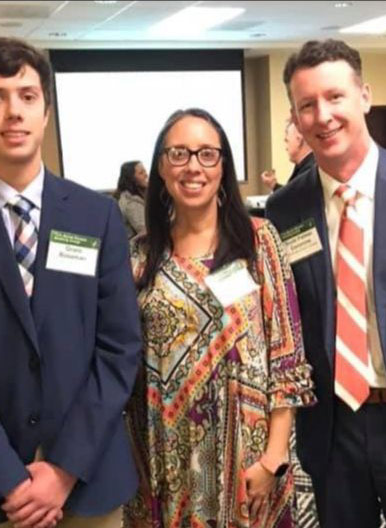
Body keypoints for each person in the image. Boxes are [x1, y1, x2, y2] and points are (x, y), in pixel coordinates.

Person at [0, 36, 141, 528]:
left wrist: (61, 470)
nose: (13, 111)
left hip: (88, 480)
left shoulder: (96, 216)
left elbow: (119, 348)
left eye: (27, 96)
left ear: (46, 110)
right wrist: (10, 478)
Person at [266, 39, 386, 527]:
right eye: (307, 105)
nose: (323, 116)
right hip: (333, 427)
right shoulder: (284, 211)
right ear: (295, 117)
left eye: (335, 96)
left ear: (364, 95)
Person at [123, 108, 315, 528]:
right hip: (162, 464)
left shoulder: (258, 241)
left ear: (223, 165)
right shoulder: (138, 255)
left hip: (249, 462)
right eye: (179, 154)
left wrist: (273, 459)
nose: (193, 166)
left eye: (207, 154)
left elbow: (287, 358)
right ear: (160, 166)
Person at [115, 161, 148, 238]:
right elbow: (146, 231)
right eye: (141, 173)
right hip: (136, 248)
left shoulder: (132, 197)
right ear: (132, 179)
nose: (146, 175)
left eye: (145, 171)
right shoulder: (131, 203)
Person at [284, 119, 315, 183]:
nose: (286, 148)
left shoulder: (309, 173)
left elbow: (293, 191)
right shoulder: (304, 168)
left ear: (299, 140)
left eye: (287, 141)